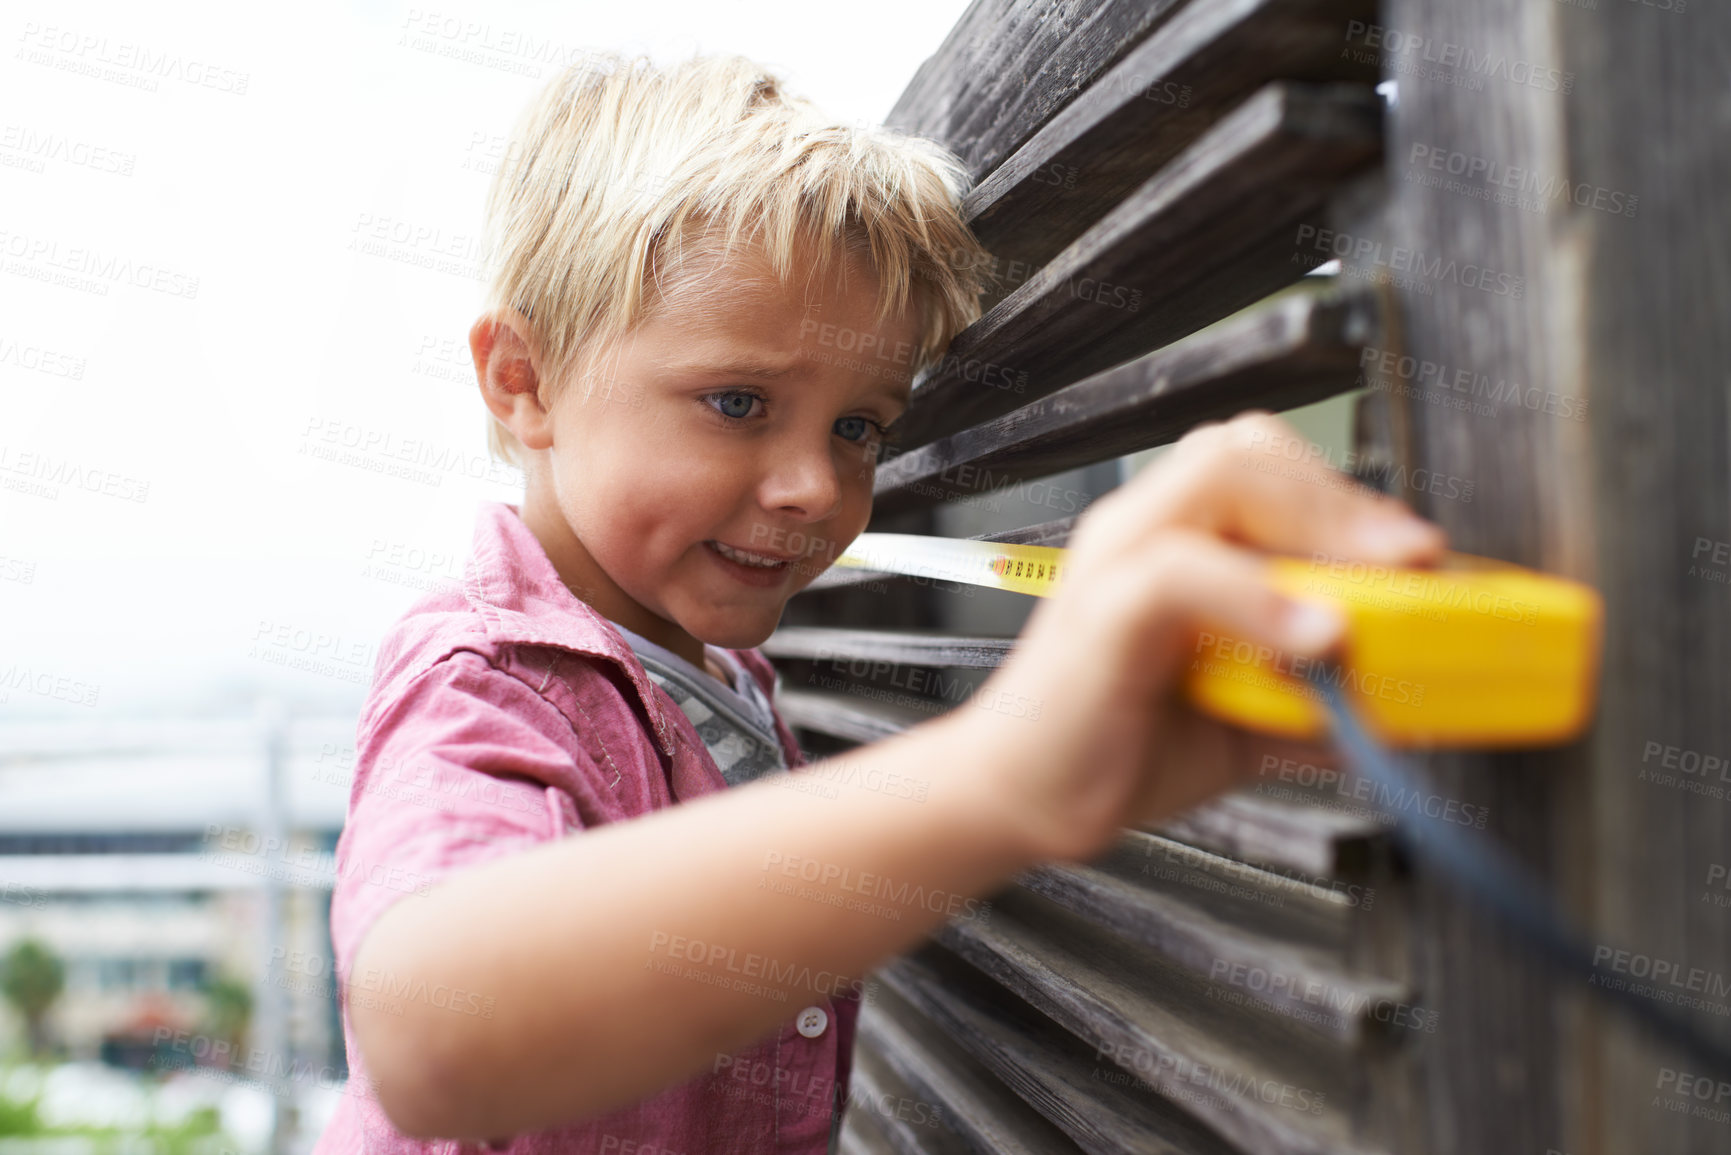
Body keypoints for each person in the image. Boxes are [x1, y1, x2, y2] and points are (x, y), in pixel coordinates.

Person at [310, 49, 1447, 1153]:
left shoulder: (717, 668)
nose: (816, 486)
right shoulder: (490, 682)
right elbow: (433, 1035)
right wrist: (1003, 773)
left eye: (860, 427)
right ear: (525, 379)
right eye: (738, 402)